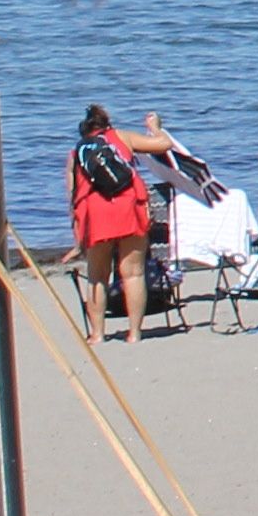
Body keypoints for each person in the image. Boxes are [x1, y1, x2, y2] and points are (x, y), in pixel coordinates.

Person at [66, 105, 172, 341]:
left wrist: (77, 238)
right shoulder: (122, 137)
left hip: (96, 214)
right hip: (128, 209)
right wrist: (155, 128)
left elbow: (73, 195)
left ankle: (97, 334)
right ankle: (134, 333)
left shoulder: (77, 152)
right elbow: (164, 144)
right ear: (107, 124)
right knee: (133, 274)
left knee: (97, 276)